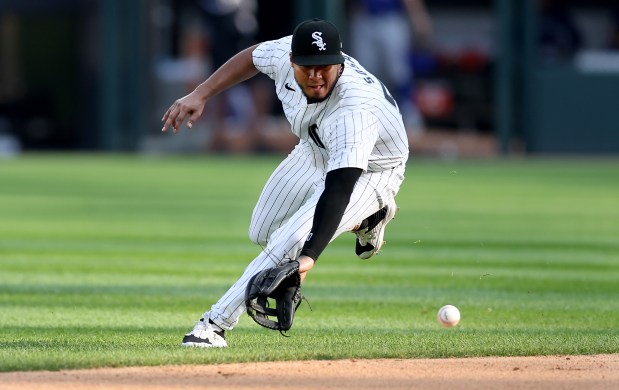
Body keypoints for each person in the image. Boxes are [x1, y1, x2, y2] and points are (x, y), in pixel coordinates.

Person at [161, 18, 409, 348]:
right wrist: (200, 93)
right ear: (292, 60)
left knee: (291, 238)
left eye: (326, 66)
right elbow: (250, 57)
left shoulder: (356, 108)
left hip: (372, 170)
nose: (317, 75)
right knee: (261, 233)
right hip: (315, 149)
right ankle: (368, 220)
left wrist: (306, 260)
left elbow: (338, 188)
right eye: (308, 67)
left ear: (340, 61)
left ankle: (213, 326)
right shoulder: (281, 54)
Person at [348, 0, 433, 132]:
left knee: (398, 73)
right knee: (363, 75)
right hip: (364, 18)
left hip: (391, 18)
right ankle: (365, 120)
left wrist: (419, 17)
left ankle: (409, 116)